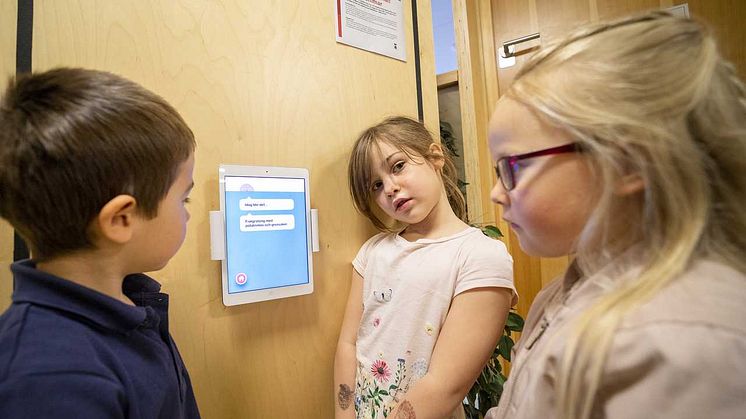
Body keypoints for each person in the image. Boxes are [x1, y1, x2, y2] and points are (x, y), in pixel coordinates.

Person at [484, 11, 746, 419]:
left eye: (512, 167)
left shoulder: (678, 340)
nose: (496, 193)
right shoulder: (559, 294)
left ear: (628, 164)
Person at [0, 68, 201, 418]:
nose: (187, 215)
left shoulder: (127, 304)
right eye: (183, 199)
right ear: (121, 219)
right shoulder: (50, 379)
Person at [334, 116, 516, 419]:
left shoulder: (481, 256)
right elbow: (347, 343)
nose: (389, 188)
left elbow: (444, 386)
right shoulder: (373, 252)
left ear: (435, 157)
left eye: (398, 166)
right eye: (376, 185)